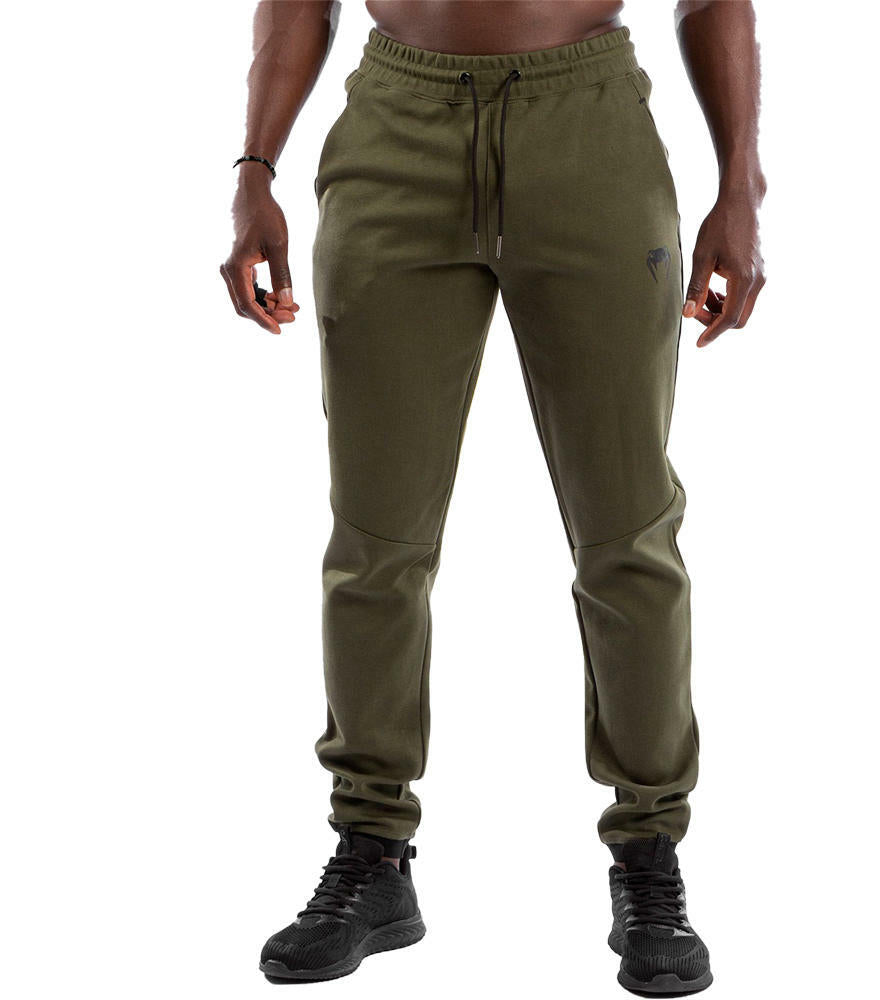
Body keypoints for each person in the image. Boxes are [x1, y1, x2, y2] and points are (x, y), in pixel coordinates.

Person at [220, 1, 764, 993]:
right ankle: (371, 851)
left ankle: (648, 852)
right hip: (396, 132)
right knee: (375, 538)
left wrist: (740, 184)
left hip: (587, 130)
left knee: (627, 533)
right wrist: (254, 171)